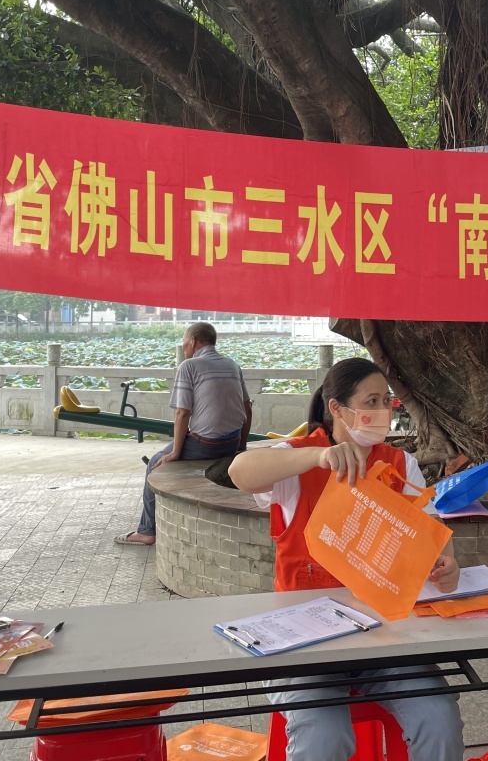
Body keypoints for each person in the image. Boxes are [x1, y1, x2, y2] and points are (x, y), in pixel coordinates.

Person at [229, 357, 463, 761]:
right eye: (371, 401)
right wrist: (317, 457)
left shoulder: (399, 464)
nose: (382, 410)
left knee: (439, 717)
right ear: (337, 408)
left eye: (386, 400)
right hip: (304, 644)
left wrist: (447, 566)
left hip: (383, 639)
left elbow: (434, 536)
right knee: (325, 737)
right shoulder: (297, 459)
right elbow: (239, 471)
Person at [116, 322, 251, 546]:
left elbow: (182, 413)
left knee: (155, 462)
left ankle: (147, 531)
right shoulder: (232, 364)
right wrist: (241, 446)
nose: (184, 347)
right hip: (232, 441)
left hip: (207, 444)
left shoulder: (189, 366)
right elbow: (247, 408)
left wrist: (175, 453)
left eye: (184, 342)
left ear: (193, 341)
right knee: (172, 452)